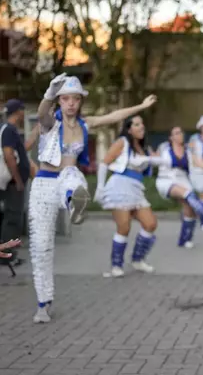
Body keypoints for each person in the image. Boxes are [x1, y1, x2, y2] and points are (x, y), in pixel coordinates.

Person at [30, 74, 157, 324]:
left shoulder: (85, 124)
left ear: (80, 102)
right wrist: (49, 93)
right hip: (44, 182)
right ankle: (43, 303)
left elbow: (115, 116)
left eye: (75, 99)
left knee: (72, 176)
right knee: (41, 247)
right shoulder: (49, 123)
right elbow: (42, 112)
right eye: (65, 99)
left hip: (67, 177)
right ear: (59, 101)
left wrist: (141, 107)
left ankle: (74, 203)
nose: (70, 104)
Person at [95, 115, 170, 277]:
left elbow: (155, 162)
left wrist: (157, 160)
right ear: (129, 128)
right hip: (120, 187)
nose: (141, 127)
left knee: (150, 224)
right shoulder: (122, 142)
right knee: (124, 227)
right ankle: (116, 265)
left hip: (136, 188)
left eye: (142, 124)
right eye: (136, 124)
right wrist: (100, 188)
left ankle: (137, 259)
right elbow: (104, 163)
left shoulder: (143, 147)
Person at [155, 126, 203, 249]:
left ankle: (184, 239)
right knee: (187, 194)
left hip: (183, 180)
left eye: (181, 132)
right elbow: (152, 158)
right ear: (171, 137)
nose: (180, 135)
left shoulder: (188, 150)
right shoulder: (164, 148)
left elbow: (199, 164)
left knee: (189, 209)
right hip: (166, 180)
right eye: (177, 133)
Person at [0, 99, 29, 265]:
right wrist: (18, 179)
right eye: (22, 110)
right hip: (11, 183)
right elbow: (8, 155)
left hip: (8, 181)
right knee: (13, 218)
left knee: (9, 217)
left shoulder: (4, 129)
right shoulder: (9, 130)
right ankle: (7, 256)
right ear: (18, 112)